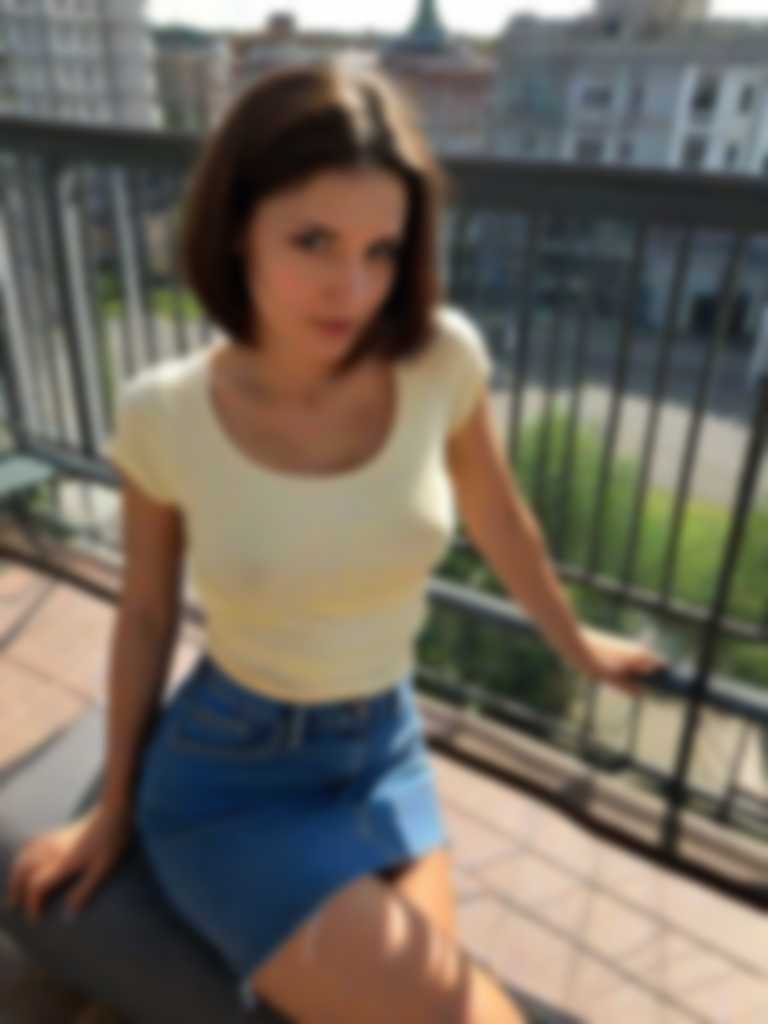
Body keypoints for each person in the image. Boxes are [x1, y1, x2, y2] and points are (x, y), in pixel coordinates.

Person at [5, 59, 667, 1022]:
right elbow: (145, 613)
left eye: (380, 250)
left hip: (384, 748)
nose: (349, 288)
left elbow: (500, 517)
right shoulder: (165, 413)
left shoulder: (440, 360)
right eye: (312, 239)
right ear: (239, 225)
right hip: (235, 776)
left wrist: (580, 644)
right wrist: (111, 815)